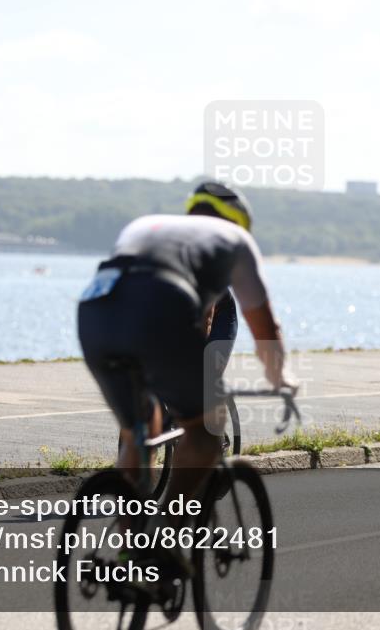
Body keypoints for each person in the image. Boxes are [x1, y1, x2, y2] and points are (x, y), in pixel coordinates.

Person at [77, 181, 291, 510]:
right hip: (171, 308)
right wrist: (279, 376)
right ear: (235, 222)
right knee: (204, 429)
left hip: (97, 311)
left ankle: (129, 534)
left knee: (139, 433)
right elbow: (265, 330)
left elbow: (207, 313)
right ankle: (169, 526)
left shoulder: (146, 225)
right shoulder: (234, 239)